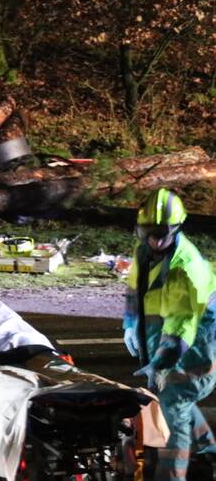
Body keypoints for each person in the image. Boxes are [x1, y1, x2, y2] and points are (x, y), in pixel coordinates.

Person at [123, 189, 216, 481]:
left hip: (195, 346)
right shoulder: (145, 253)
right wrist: (130, 323)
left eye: (160, 233)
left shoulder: (183, 267)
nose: (154, 239)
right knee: (174, 400)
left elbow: (181, 323)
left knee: (174, 405)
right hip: (168, 340)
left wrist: (161, 361)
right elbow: (135, 290)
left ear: (175, 229)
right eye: (148, 232)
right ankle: (209, 454)